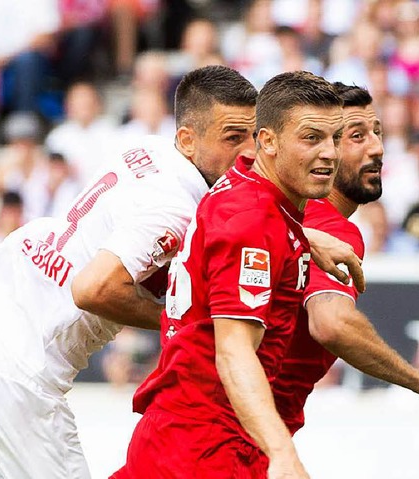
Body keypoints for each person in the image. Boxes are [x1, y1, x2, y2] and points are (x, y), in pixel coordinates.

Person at [0, 65, 259, 479]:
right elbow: (94, 289)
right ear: (187, 140)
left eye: (253, 135)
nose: (249, 150)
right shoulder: (174, 207)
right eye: (233, 138)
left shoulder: (150, 149)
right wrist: (178, 322)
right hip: (20, 372)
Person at [111, 71, 345, 479]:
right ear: (267, 141)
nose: (329, 153)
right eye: (311, 138)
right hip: (207, 445)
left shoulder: (238, 187)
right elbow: (234, 351)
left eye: (335, 138)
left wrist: (302, 237)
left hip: (181, 432)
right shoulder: (253, 222)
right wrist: (282, 453)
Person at [272, 83, 419, 438]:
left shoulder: (276, 210)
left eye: (378, 132)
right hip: (224, 440)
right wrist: (418, 380)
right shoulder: (330, 227)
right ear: (324, 149)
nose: (378, 148)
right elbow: (331, 323)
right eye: (358, 136)